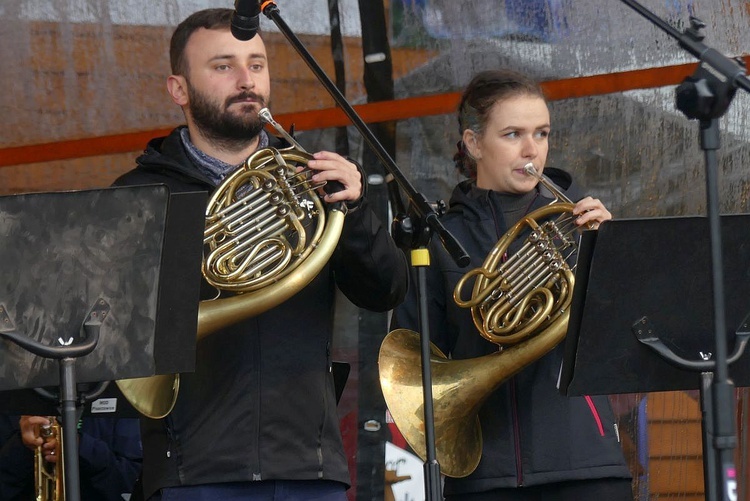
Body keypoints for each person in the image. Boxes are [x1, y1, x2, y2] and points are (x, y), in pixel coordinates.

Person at [112, 8, 409, 501]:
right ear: (179, 89)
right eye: (223, 66)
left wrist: (354, 212)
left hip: (307, 464)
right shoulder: (140, 195)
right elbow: (118, 327)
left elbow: (385, 291)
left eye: (256, 64)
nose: (246, 80)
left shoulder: (314, 183)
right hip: (195, 468)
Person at [391, 69, 633, 500]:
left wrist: (610, 255)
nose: (531, 150)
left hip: (583, 464)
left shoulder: (580, 226)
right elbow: (418, 356)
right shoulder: (441, 238)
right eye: (512, 134)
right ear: (473, 143)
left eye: (541, 134)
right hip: (486, 474)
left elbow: (621, 338)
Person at [0, 414, 142, 500]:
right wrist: (22, 445)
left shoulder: (122, 391)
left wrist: (81, 447)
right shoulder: (10, 390)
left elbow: (134, 485)